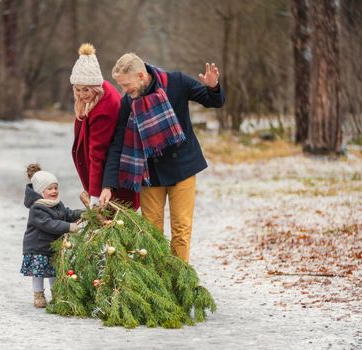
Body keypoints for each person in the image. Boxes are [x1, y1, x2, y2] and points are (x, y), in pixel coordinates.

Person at [99, 53, 225, 263]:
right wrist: (108, 185)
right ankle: (159, 284)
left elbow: (213, 102)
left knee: (181, 230)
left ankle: (179, 281)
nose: (124, 91)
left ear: (141, 75)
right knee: (151, 233)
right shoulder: (128, 103)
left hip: (182, 168)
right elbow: (117, 144)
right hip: (151, 173)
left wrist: (213, 87)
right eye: (121, 86)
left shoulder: (176, 82)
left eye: (126, 84)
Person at [70, 43, 139, 209]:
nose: (81, 94)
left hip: (112, 181)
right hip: (106, 177)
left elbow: (98, 153)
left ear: (95, 86)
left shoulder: (104, 108)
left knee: (114, 222)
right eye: (78, 90)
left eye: (86, 89)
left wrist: (94, 194)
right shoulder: (95, 96)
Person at [20, 164, 83, 308]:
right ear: (40, 191)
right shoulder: (37, 208)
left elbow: (67, 214)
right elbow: (50, 224)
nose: (54, 191)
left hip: (52, 246)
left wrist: (81, 213)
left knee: (54, 272)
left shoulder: (56, 204)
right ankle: (38, 295)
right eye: (50, 188)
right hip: (38, 247)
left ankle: (57, 294)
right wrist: (70, 227)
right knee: (39, 273)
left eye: (56, 187)